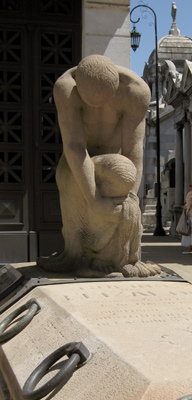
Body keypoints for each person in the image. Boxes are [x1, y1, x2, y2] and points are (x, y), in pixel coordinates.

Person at [37, 54, 160, 278]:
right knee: (69, 174)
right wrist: (94, 199)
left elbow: (134, 150)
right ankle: (78, 256)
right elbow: (74, 146)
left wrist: (130, 197)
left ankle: (119, 257)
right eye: (88, 104)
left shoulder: (136, 91)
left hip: (112, 160)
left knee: (125, 176)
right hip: (79, 158)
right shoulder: (65, 89)